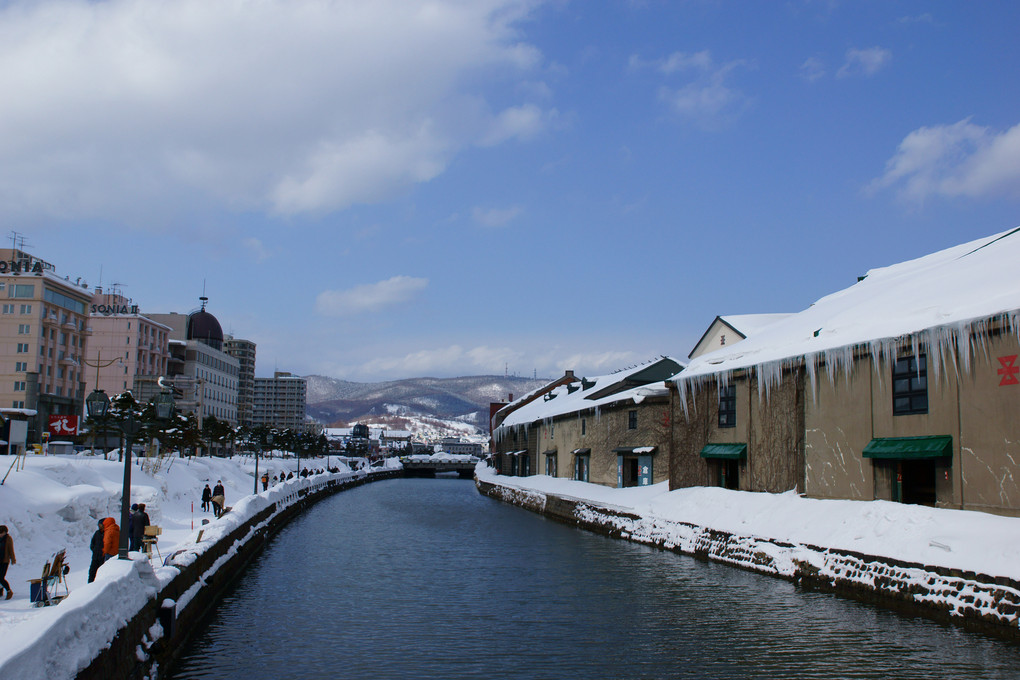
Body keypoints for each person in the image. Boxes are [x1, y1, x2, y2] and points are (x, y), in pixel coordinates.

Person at [0, 525, 16, 600]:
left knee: (1, 578)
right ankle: (0, 590)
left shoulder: (8, 539)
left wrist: (13, 559)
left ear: (5, 532)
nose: (0, 534)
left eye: (1, 533)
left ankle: (9, 591)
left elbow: (11, 549)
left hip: (4, 561)